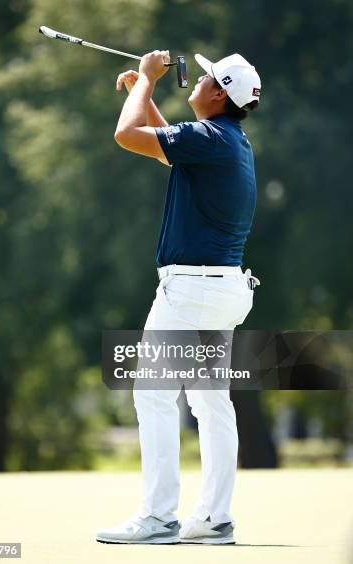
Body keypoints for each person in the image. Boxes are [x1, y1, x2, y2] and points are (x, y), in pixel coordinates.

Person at [96, 50, 261, 544]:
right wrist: (139, 94)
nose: (200, 78)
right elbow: (170, 149)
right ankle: (214, 519)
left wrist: (147, 80)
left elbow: (126, 137)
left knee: (154, 394)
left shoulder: (208, 138)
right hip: (223, 289)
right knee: (212, 405)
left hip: (189, 289)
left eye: (208, 76)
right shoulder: (229, 141)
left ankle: (158, 518)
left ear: (217, 93)